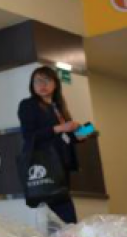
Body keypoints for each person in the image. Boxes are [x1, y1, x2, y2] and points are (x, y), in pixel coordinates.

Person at [17, 66, 80, 224]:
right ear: (32, 85)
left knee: (59, 219)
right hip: (46, 165)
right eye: (37, 81)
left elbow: (65, 137)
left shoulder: (58, 107)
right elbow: (29, 136)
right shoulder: (28, 105)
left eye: (46, 80)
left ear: (55, 83)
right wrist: (59, 128)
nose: (42, 84)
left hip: (62, 165)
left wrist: (80, 134)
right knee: (66, 218)